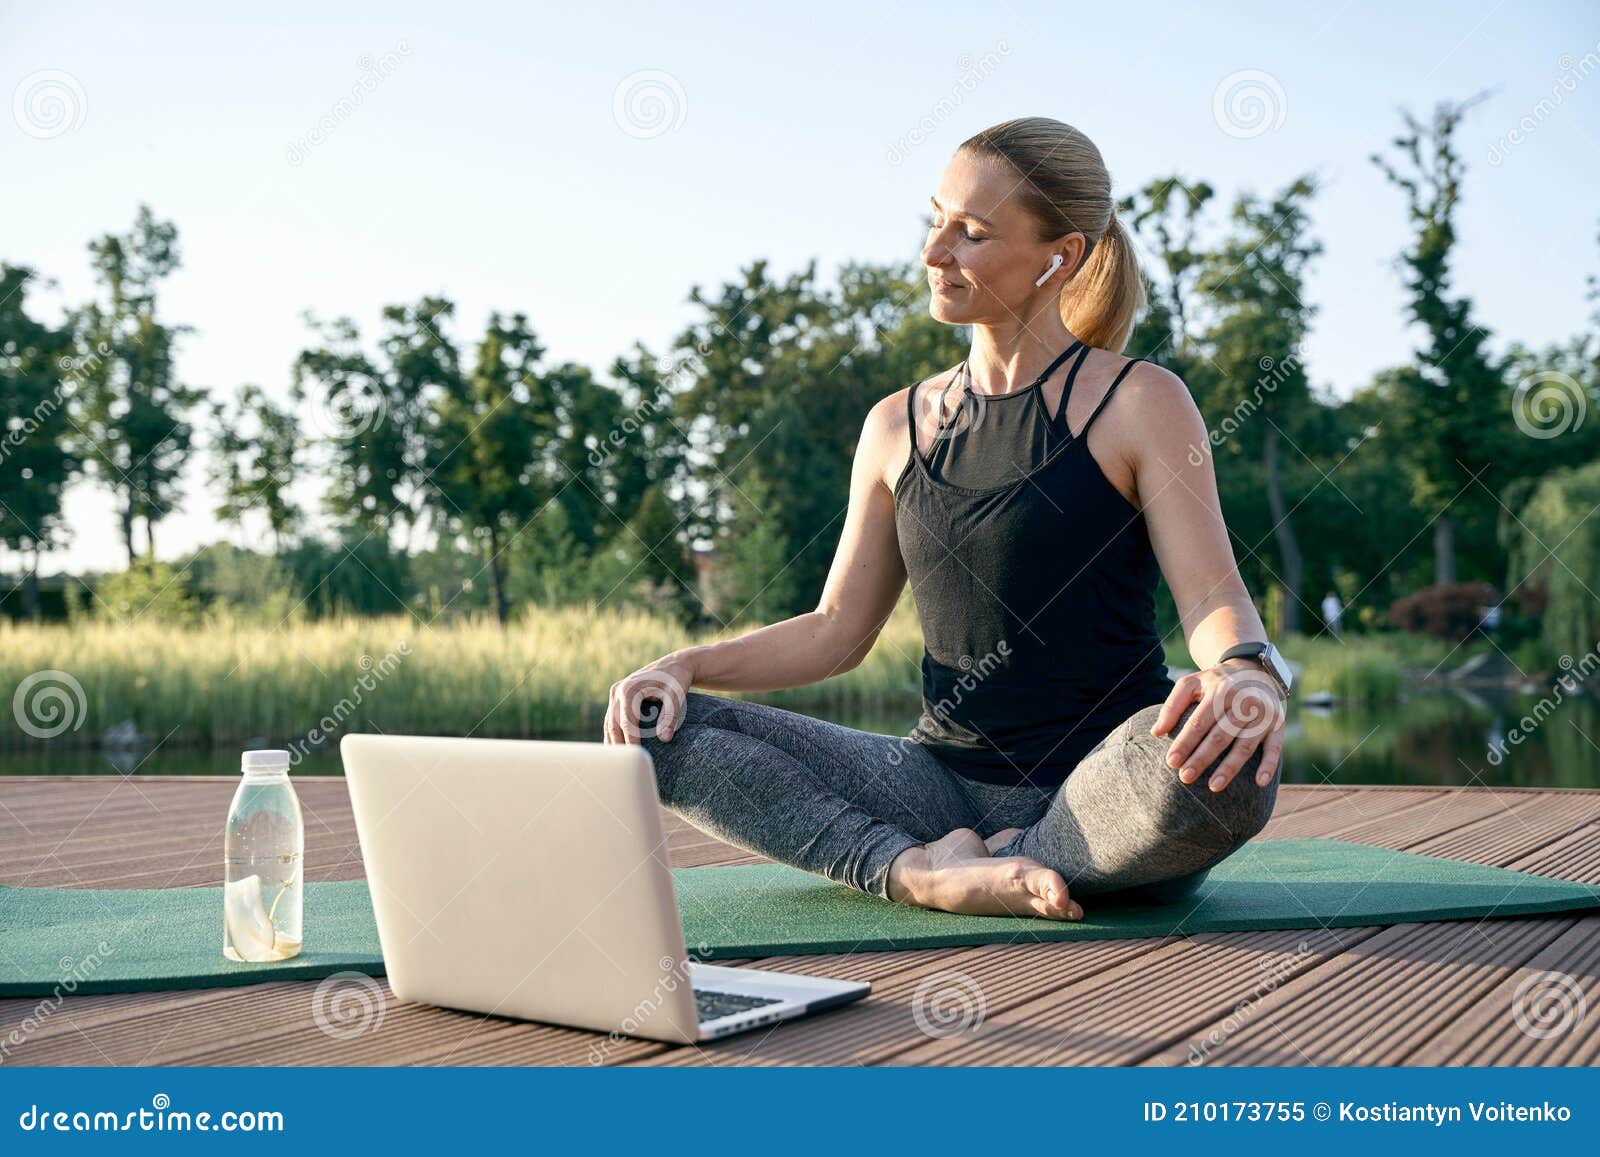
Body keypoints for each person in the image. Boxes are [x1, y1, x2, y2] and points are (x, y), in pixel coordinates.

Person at [604, 116, 1287, 922]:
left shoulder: (1140, 402)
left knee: (1234, 768)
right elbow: (835, 630)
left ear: (1058, 257)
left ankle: (1011, 861)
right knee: (650, 725)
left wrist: (1246, 671)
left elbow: (1212, 595)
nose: (935, 252)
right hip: (937, 789)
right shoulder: (896, 425)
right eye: (937, 220)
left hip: (1107, 793)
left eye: (971, 233)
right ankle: (917, 872)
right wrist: (683, 664)